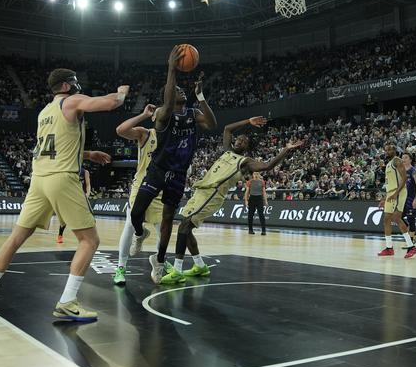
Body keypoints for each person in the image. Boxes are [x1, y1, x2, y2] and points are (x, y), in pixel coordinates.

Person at [0, 69, 125, 322]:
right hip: (62, 178)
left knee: (15, 239)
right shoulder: (72, 101)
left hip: (39, 179)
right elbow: (111, 103)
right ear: (66, 86)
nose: (78, 86)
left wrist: (88, 154)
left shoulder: (44, 112)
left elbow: (54, 146)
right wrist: (122, 92)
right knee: (90, 240)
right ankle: (67, 301)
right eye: (76, 83)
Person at [163, 117, 303, 284]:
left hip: (213, 194)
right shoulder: (227, 150)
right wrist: (248, 121)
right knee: (185, 228)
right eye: (239, 138)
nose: (240, 140)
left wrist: (285, 150)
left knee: (185, 226)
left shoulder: (245, 162)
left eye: (244, 141)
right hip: (200, 190)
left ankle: (177, 270)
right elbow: (228, 128)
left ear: (247, 148)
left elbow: (268, 166)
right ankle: (200, 266)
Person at [129, 49, 216, 284]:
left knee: (168, 220)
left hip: (178, 174)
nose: (181, 91)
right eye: (177, 90)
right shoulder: (161, 113)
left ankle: (158, 261)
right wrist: (171, 68)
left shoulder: (192, 112)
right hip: (157, 169)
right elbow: (167, 104)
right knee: (136, 213)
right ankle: (139, 233)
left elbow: (211, 123)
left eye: (181, 90)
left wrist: (200, 96)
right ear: (168, 96)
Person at [111, 104, 165, 286]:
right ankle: (120, 268)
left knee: (162, 231)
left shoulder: (172, 136)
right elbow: (120, 130)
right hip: (141, 184)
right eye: (160, 113)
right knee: (130, 224)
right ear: (153, 118)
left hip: (161, 187)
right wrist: (142, 114)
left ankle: (159, 263)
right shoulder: (145, 133)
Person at [377, 143, 416, 258]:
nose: (387, 151)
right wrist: (385, 198)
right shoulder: (389, 164)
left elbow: (404, 178)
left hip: (399, 192)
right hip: (391, 192)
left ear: (395, 150)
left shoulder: (397, 161)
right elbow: (390, 183)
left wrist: (395, 193)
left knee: (396, 217)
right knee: (386, 219)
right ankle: (389, 248)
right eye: (386, 150)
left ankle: (411, 247)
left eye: (390, 149)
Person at [56, 168, 91, 244]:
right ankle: (60, 235)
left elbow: (88, 185)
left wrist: (87, 194)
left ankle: (84, 237)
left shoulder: (85, 172)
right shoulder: (69, 170)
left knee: (84, 218)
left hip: (81, 196)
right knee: (65, 219)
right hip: (70, 196)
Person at [401, 153, 416, 243]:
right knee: (397, 217)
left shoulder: (414, 171)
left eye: (406, 157)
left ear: (410, 160)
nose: (403, 159)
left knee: (410, 218)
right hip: (402, 199)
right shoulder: (401, 171)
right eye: (402, 158)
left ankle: (411, 241)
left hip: (411, 198)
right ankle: (414, 234)